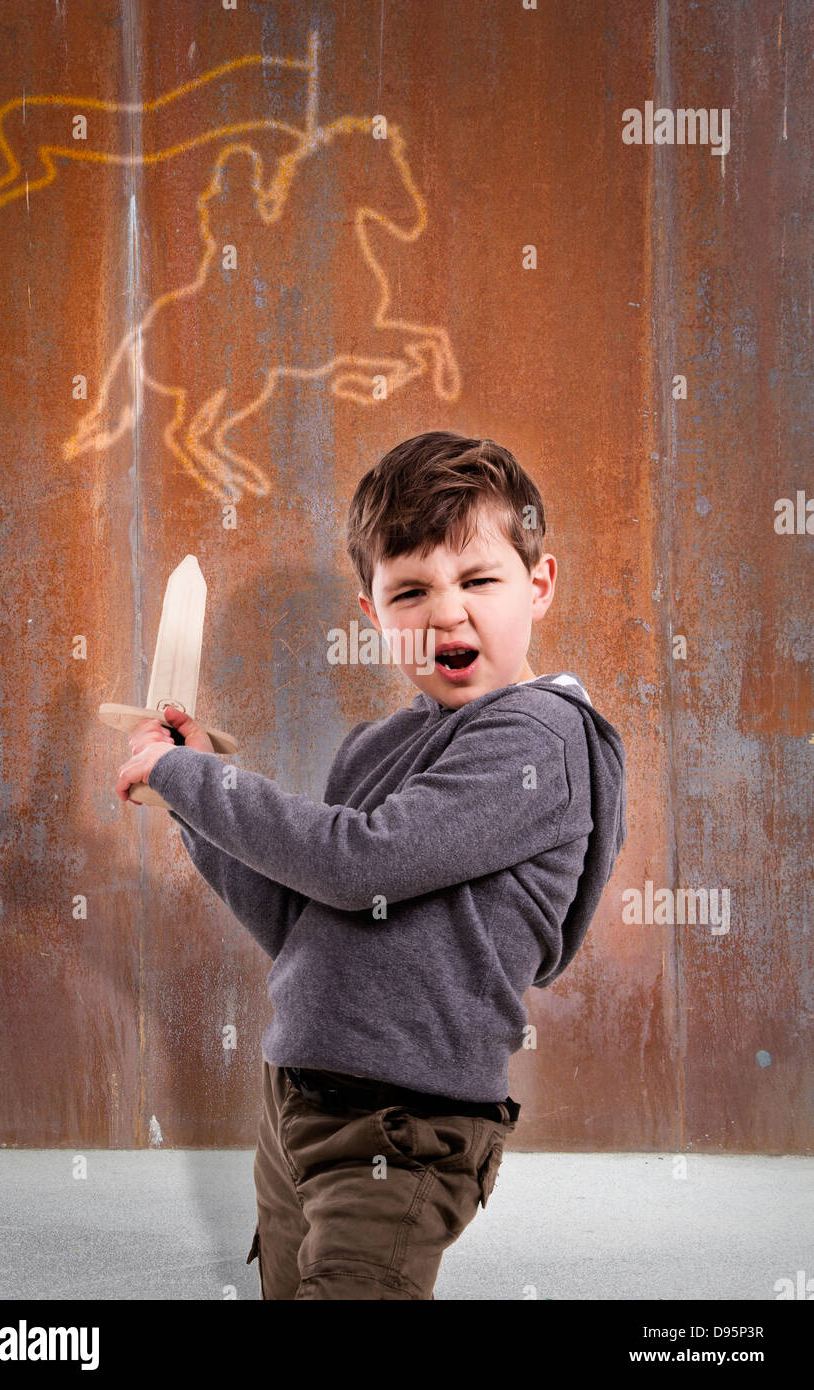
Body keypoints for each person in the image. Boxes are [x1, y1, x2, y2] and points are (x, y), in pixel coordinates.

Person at [116, 430, 627, 1299]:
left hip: (404, 1125)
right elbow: (299, 915)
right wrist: (190, 804)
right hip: (299, 1104)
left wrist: (197, 779)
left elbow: (361, 864)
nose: (448, 613)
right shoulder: (383, 745)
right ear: (372, 615)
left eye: (478, 581)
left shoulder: (536, 738)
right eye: (412, 592)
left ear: (539, 587)